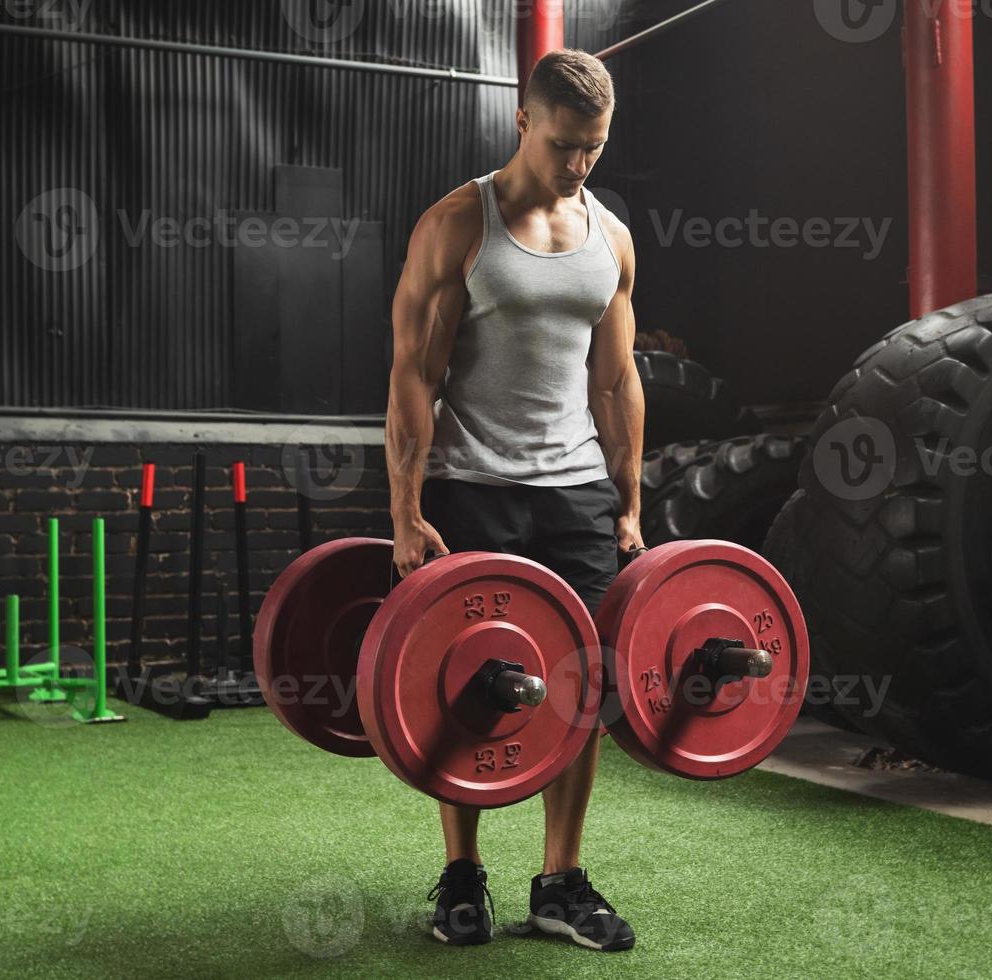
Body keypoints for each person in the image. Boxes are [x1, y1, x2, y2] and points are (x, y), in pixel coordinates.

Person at [384, 48, 643, 953]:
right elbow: (414, 375)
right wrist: (405, 508)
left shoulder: (610, 238)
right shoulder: (460, 223)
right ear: (524, 121)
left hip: (573, 491)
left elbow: (615, 384)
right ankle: (462, 874)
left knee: (581, 687)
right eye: (567, 143)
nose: (578, 164)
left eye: (596, 149)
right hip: (472, 488)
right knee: (466, 687)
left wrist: (630, 501)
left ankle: (559, 882)